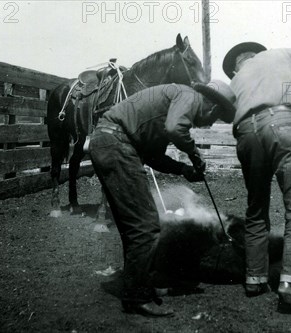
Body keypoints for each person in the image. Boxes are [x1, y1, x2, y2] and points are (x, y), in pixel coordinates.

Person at [88, 81, 236, 317]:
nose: (209, 123)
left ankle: (138, 284)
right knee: (146, 225)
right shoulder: (189, 96)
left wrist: (185, 170)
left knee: (133, 226)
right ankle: (136, 296)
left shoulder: (172, 103)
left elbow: (154, 157)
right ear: (212, 106)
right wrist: (193, 152)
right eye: (216, 117)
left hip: (108, 142)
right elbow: (176, 129)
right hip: (116, 144)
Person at [222, 42, 291, 314]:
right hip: (282, 124)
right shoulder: (278, 55)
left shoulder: (235, 82)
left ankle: (254, 279)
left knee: (256, 208)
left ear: (235, 67)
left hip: (245, 135)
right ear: (256, 54)